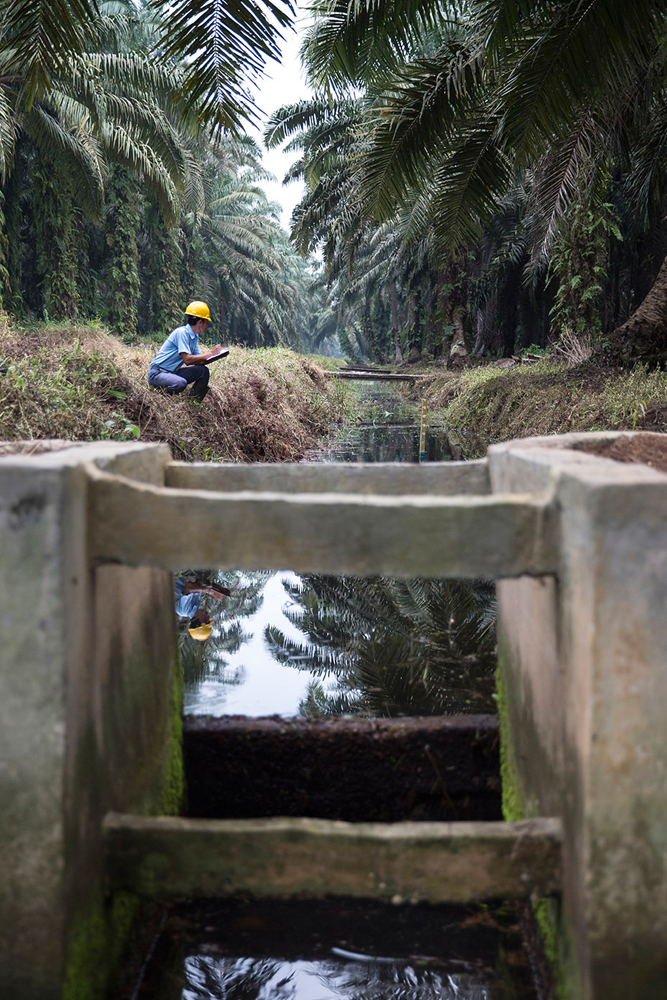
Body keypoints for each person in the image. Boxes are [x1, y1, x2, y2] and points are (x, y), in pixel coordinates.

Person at [147, 301, 228, 401]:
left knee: (203, 371)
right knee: (180, 383)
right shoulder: (182, 333)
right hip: (158, 373)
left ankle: (193, 403)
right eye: (206, 322)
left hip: (172, 373)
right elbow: (188, 360)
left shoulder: (194, 337)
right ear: (200, 322)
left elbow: (199, 363)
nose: (206, 326)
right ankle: (162, 397)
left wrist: (218, 356)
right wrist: (211, 353)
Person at [174, 575, 232, 642]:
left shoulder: (183, 610)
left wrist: (212, 592)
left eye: (207, 619)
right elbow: (199, 582)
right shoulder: (197, 606)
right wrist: (218, 588)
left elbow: (190, 587)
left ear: (201, 621)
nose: (208, 616)